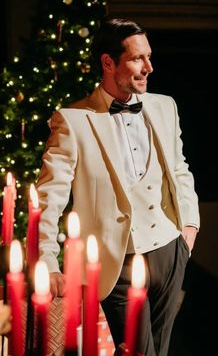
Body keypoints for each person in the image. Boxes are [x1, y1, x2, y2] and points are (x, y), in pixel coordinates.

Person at [36, 18, 200, 355]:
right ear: (108, 62)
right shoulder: (73, 119)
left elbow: (180, 168)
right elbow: (49, 196)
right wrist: (48, 260)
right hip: (117, 264)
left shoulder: (164, 106)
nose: (149, 68)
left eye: (149, 57)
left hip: (170, 249)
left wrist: (190, 224)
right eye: (137, 59)